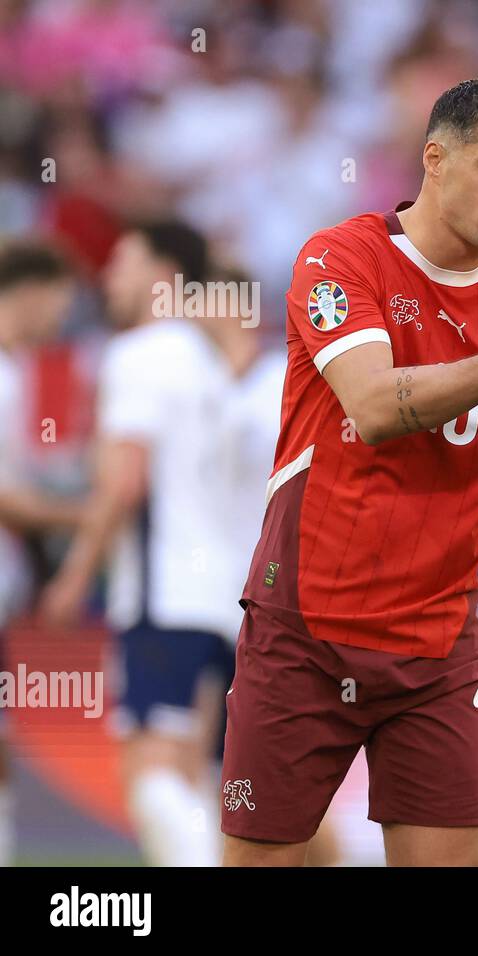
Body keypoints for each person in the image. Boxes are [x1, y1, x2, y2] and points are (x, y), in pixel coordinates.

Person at [220, 76, 478, 867]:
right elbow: (376, 408)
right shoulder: (340, 258)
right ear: (435, 160)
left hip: (438, 641)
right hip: (308, 627)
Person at [40, 223, 271, 866]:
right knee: (208, 774)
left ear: (164, 270)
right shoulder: (212, 364)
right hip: (228, 601)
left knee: (150, 772)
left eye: (123, 260)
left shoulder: (140, 354)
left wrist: (77, 574)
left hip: (164, 596)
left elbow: (126, 479)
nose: (108, 274)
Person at [0, 241, 81, 866]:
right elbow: (9, 499)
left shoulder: (18, 370)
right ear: (29, 290)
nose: (65, 312)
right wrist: (96, 513)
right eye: (59, 296)